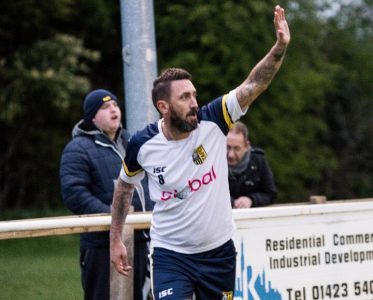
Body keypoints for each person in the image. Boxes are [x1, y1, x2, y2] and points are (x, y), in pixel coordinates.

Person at [110, 5, 290, 300]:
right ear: (163, 107)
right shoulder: (142, 144)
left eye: (194, 94)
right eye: (184, 97)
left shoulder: (214, 120)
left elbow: (254, 84)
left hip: (218, 253)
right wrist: (115, 237)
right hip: (171, 255)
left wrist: (280, 47)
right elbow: (124, 188)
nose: (195, 102)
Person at [60, 89, 154, 300]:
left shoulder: (131, 141)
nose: (113, 109)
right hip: (102, 245)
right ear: (92, 117)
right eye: (105, 107)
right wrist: (114, 218)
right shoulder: (78, 149)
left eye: (115, 105)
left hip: (140, 238)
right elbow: (74, 194)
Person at [227, 121, 277, 208]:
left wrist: (251, 200)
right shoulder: (214, 161)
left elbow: (271, 194)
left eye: (236, 149)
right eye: (227, 147)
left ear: (246, 146)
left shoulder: (259, 161)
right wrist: (231, 202)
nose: (230, 154)